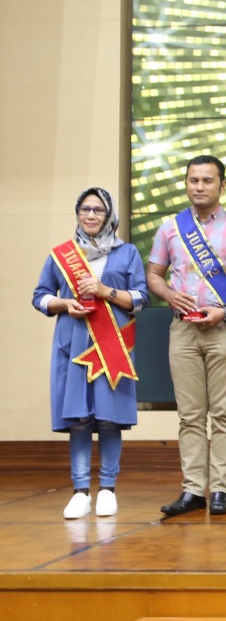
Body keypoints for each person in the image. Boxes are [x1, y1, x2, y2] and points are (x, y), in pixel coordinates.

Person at [146, 155, 226, 516]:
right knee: (189, 414)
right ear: (186, 183)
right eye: (193, 180)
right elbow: (153, 274)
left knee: (223, 413)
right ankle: (194, 490)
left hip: (223, 328)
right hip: (182, 330)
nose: (199, 187)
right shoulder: (169, 229)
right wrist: (167, 294)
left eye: (207, 181)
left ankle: (220, 491)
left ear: (222, 185)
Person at [33, 188, 147, 519]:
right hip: (73, 345)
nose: (92, 215)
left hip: (111, 347)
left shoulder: (127, 253)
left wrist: (104, 291)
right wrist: (62, 303)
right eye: (85, 209)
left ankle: (108, 489)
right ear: (78, 213)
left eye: (99, 210)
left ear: (109, 214)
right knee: (79, 420)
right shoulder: (60, 255)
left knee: (109, 418)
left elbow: (140, 297)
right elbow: (40, 296)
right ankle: (80, 491)